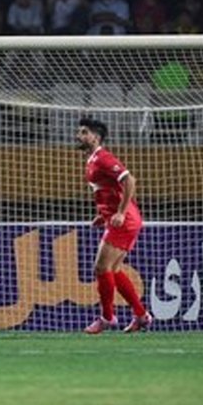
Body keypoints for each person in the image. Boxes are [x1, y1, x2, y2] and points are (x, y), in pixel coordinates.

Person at [75, 117, 151, 334]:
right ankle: (141, 315)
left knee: (101, 268)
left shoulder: (103, 158)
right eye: (79, 132)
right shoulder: (92, 159)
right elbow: (108, 191)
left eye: (84, 132)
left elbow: (129, 181)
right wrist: (103, 215)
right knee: (113, 270)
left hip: (125, 220)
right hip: (121, 219)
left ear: (96, 138)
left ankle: (107, 317)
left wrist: (120, 212)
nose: (79, 136)